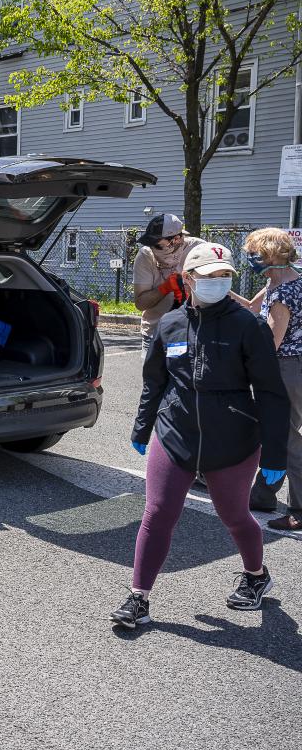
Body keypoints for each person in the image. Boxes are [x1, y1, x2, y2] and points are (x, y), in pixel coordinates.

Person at [115, 242, 289, 629]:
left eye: (224, 275)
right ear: (189, 279)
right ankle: (138, 597)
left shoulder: (249, 326)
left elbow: (273, 394)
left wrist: (276, 456)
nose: (218, 282)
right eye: (209, 276)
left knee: (235, 516)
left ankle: (256, 576)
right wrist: (143, 426)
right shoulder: (170, 324)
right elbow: (154, 382)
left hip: (232, 441)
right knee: (157, 514)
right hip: (175, 434)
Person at [234, 228, 302, 530]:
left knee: (285, 437)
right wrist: (218, 289)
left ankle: (300, 510)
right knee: (275, 431)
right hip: (290, 366)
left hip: (285, 368)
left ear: (272, 255)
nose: (251, 258)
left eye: (255, 254)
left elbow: (271, 343)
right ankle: (262, 495)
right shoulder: (280, 281)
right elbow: (250, 307)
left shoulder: (283, 293)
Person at [132, 213, 204, 354]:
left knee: (185, 375)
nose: (152, 248)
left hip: (192, 331)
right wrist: (165, 288)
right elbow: (140, 304)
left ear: (176, 239)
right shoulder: (146, 255)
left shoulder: (199, 250)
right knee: (153, 375)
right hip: (155, 331)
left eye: (157, 245)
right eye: (150, 244)